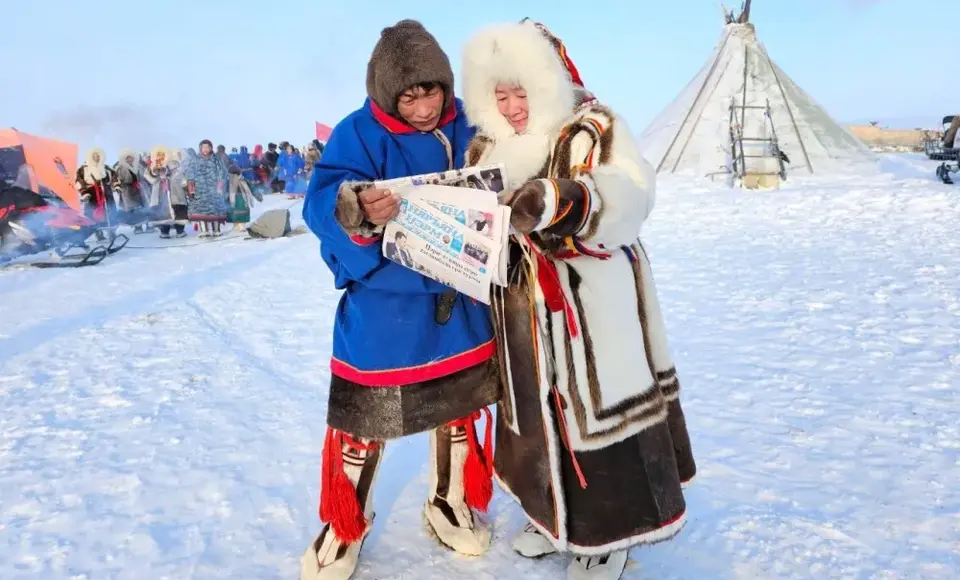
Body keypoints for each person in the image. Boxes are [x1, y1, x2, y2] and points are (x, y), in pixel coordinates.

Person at [460, 20, 697, 580]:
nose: (513, 107)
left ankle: (611, 535)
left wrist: (563, 201)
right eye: (501, 96)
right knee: (537, 413)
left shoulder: (594, 127)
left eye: (522, 92)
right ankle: (552, 521)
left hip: (592, 305)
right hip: (519, 305)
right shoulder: (487, 147)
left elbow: (633, 194)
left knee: (600, 414)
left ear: (547, 83)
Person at [298, 19, 497, 580]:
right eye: (409, 97)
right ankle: (345, 523)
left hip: (459, 300)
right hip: (387, 303)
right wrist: (356, 207)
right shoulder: (358, 133)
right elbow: (319, 204)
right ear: (388, 95)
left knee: (457, 409)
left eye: (432, 92)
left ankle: (448, 502)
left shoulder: (471, 122)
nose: (424, 108)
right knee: (366, 418)